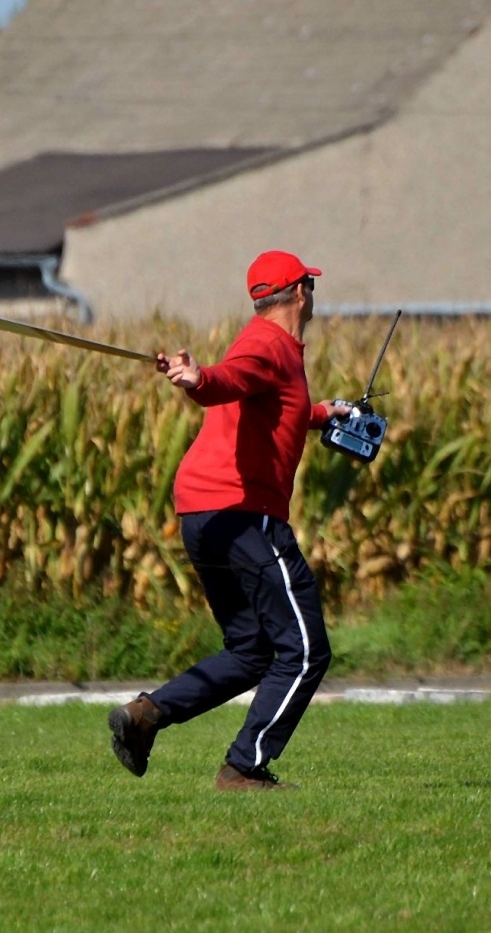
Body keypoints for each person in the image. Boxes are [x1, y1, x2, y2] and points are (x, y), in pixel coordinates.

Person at [107, 250, 352, 791]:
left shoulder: (268, 346)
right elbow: (230, 380)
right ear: (300, 292)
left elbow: (262, 400)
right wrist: (198, 380)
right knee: (306, 648)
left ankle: (146, 715)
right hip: (243, 513)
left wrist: (320, 414)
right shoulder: (268, 344)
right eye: (310, 284)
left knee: (252, 651)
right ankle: (245, 767)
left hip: (203, 512)